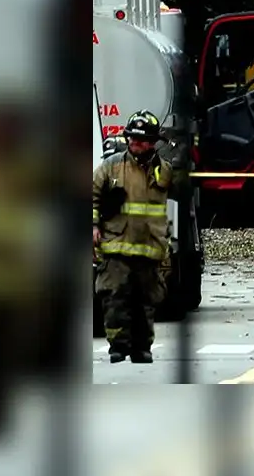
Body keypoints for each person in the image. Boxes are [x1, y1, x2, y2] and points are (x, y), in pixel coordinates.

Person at [92, 110, 172, 364]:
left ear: (152, 142)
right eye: (133, 138)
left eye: (142, 139)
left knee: (146, 301)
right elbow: (91, 196)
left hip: (149, 247)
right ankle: (118, 346)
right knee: (114, 296)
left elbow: (181, 183)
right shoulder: (111, 166)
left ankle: (142, 348)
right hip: (116, 245)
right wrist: (94, 225)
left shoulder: (163, 170)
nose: (136, 144)